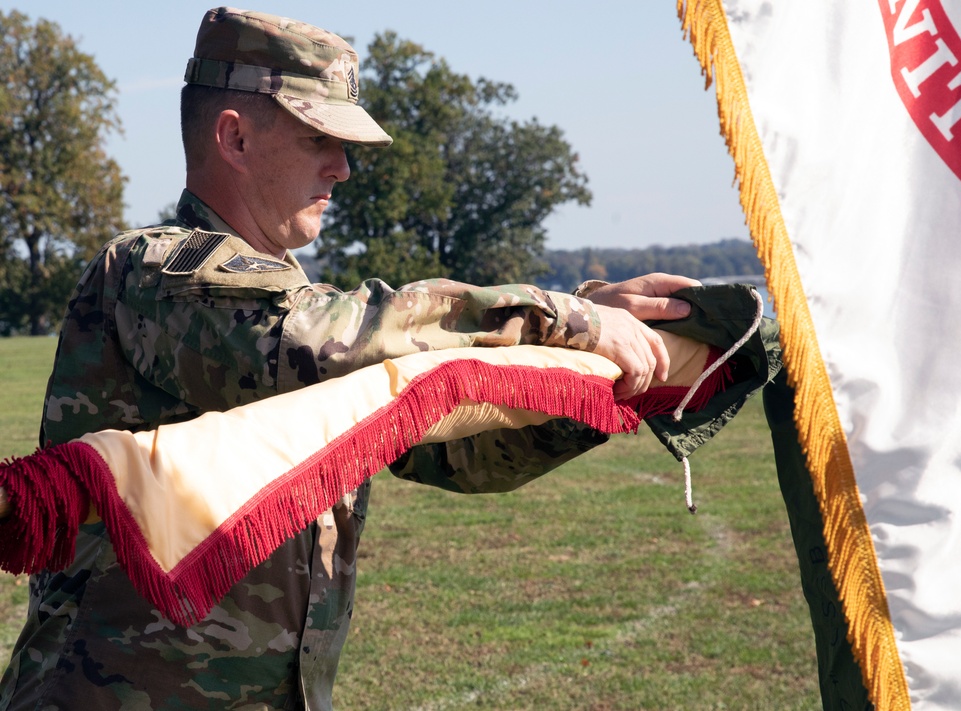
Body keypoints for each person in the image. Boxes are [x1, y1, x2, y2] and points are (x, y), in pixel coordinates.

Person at [0, 7, 699, 710]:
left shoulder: (299, 303)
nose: (343, 168)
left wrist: (612, 379)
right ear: (234, 137)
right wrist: (572, 319)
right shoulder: (157, 274)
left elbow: (461, 453)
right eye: (318, 140)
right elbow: (326, 342)